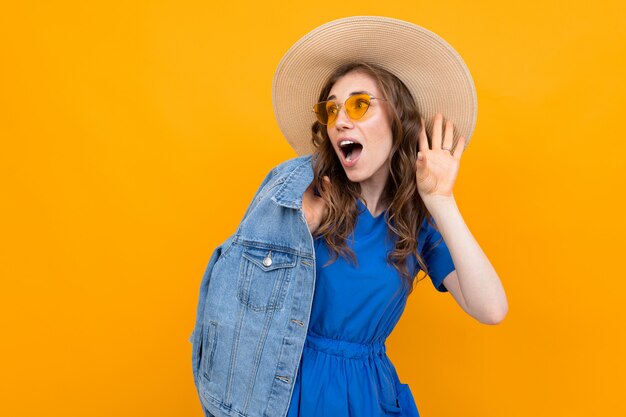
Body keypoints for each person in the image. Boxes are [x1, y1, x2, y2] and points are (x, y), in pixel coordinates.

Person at [190, 16, 507, 417]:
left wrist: (441, 201)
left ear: (399, 119)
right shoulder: (300, 190)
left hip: (369, 397)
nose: (340, 120)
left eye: (359, 105)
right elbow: (225, 298)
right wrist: (291, 231)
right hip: (286, 390)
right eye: (332, 109)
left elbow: (491, 309)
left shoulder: (413, 220)